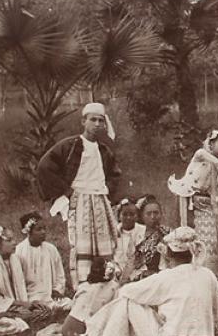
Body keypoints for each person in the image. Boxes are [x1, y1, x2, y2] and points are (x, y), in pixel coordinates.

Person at [75, 227, 218, 336]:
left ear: (168, 254)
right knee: (139, 306)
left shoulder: (167, 277)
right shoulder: (207, 275)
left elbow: (127, 291)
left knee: (127, 301)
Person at [37, 102, 121, 285]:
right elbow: (45, 167)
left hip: (100, 200)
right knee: (82, 243)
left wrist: (107, 191)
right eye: (93, 120)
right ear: (83, 121)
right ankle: (83, 284)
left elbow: (115, 175)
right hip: (80, 199)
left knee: (104, 240)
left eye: (100, 120)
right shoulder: (70, 145)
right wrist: (65, 192)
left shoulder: (104, 150)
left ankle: (106, 280)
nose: (97, 124)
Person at [176, 130, 218, 264]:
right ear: (211, 144)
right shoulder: (201, 155)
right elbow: (215, 161)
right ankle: (189, 268)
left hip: (207, 204)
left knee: (209, 238)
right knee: (189, 235)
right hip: (191, 200)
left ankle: (205, 269)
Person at [0, 225, 50, 323]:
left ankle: (23, 317)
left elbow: (32, 284)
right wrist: (20, 304)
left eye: (13, 239)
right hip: (4, 308)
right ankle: (16, 317)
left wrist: (34, 301)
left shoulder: (20, 260)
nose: (14, 243)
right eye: (9, 240)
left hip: (24, 303)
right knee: (18, 316)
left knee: (45, 310)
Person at [14, 212, 71, 309]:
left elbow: (59, 275)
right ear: (29, 232)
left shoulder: (51, 249)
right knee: (37, 309)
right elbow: (17, 282)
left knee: (70, 304)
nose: (43, 232)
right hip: (30, 297)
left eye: (44, 228)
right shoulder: (18, 251)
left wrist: (57, 290)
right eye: (39, 229)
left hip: (50, 295)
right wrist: (26, 301)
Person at [61, 258, 121, 336]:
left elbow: (73, 305)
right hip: (86, 329)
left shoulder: (84, 286)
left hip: (67, 327)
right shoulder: (113, 287)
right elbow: (115, 310)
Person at [128, 195, 171, 282]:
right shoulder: (135, 234)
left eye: (156, 213)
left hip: (161, 277)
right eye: (148, 213)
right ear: (142, 216)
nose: (153, 216)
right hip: (138, 277)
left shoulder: (167, 233)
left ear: (161, 214)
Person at [113, 198, 146, 282]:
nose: (128, 217)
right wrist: (117, 271)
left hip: (139, 275)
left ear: (137, 216)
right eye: (124, 214)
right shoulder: (113, 233)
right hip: (117, 275)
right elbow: (111, 257)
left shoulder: (144, 231)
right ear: (119, 216)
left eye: (132, 214)